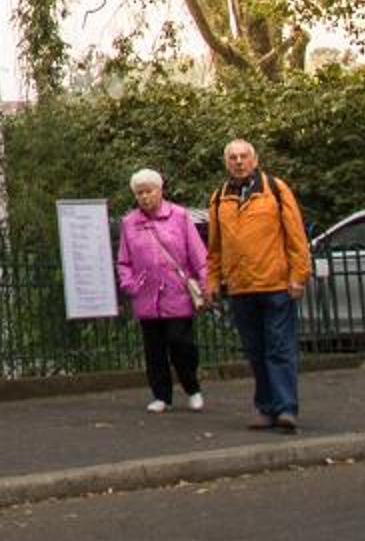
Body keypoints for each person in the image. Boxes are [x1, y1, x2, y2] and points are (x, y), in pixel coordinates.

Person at [207, 138, 312, 431]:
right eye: (233, 157)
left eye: (244, 156)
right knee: (255, 351)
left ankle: (286, 408)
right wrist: (213, 280)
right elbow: (215, 246)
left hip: (275, 283)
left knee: (279, 348)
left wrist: (298, 275)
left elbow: (295, 236)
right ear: (226, 163)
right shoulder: (219, 198)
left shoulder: (275, 190)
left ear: (255, 160)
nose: (239, 162)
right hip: (240, 287)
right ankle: (266, 408)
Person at [114, 168, 207, 412]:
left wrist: (205, 283)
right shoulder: (129, 222)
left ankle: (192, 388)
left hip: (177, 292)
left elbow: (198, 254)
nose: (144, 197)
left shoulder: (179, 216)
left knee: (180, 343)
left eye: (149, 191)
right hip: (146, 294)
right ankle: (161, 396)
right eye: (139, 193)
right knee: (154, 349)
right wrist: (129, 283)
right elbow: (124, 260)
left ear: (160, 190)